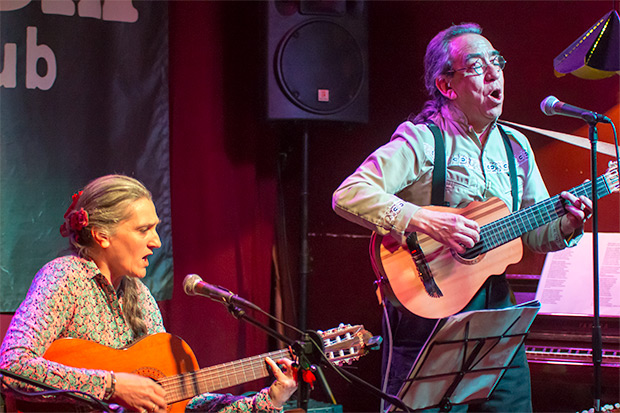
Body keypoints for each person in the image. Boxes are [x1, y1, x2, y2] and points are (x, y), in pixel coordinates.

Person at [332, 23, 593, 412]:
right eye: (476, 66)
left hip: (496, 317)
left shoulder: (516, 147)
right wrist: (423, 218)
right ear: (446, 85)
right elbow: (348, 194)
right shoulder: (422, 139)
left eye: (497, 62)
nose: (493, 73)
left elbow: (536, 234)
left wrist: (568, 224)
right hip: (427, 312)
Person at [0, 174, 297, 412]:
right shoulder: (64, 278)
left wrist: (270, 399)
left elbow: (180, 402)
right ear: (103, 236)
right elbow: (11, 368)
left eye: (156, 229)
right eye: (144, 230)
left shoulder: (140, 294)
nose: (156, 241)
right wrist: (113, 386)